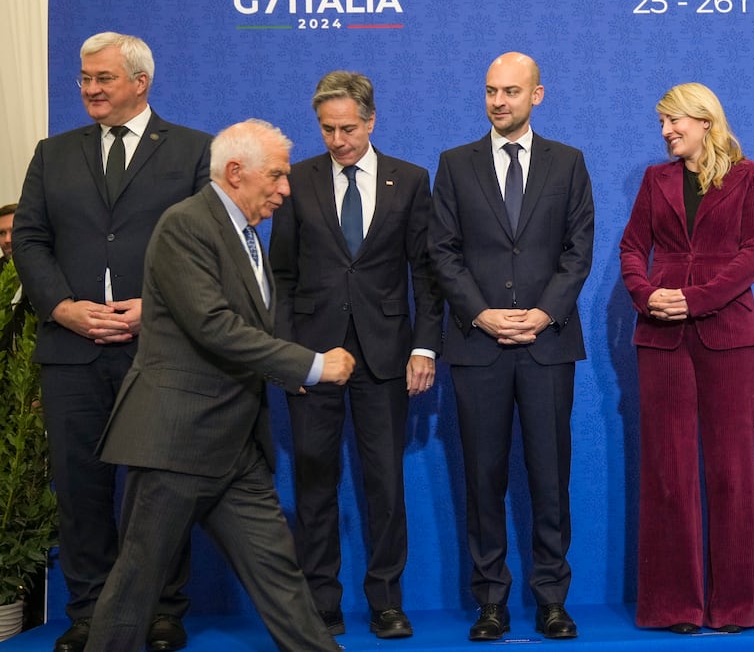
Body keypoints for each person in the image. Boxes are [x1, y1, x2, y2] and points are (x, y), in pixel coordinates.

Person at [84, 120, 356, 651]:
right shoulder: (186, 225)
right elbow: (213, 326)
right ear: (236, 172)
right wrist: (312, 366)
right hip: (177, 442)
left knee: (279, 574)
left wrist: (284, 368)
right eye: (276, 176)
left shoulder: (246, 234)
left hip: (235, 446)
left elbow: (250, 329)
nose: (285, 189)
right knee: (138, 581)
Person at [12, 32, 208, 652]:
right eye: (84, 79)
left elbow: (208, 248)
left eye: (103, 79)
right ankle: (90, 615)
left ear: (140, 82)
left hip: (158, 348)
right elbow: (30, 240)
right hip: (72, 350)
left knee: (161, 488)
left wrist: (157, 307)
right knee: (80, 490)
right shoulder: (53, 152)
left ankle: (159, 611)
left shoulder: (193, 151)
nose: (91, 90)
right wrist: (63, 308)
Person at [269, 71, 444, 639]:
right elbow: (282, 276)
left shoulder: (410, 180)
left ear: (371, 122)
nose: (338, 140)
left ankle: (387, 602)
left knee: (384, 484)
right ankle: (322, 603)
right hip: (314, 358)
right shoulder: (297, 181)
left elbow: (426, 272)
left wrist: (424, 346)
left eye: (348, 128)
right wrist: (291, 358)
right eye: (327, 129)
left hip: (386, 355)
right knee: (315, 483)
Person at [430, 52, 595, 641]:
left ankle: (552, 598)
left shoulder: (569, 162)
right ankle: (491, 602)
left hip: (547, 345)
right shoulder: (454, 164)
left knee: (551, 477)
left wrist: (545, 312)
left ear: (538, 95)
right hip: (480, 347)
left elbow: (579, 250)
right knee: (483, 477)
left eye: (511, 91)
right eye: (490, 91)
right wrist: (481, 314)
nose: (499, 101)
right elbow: (442, 252)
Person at [619, 83, 754, 634]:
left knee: (732, 472)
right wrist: (644, 294)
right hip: (660, 335)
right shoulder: (654, 180)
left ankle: (733, 608)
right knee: (667, 471)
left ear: (706, 121)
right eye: (662, 123)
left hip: (726, 333)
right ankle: (672, 608)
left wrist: (696, 298)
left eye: (673, 122)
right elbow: (633, 247)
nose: (665, 132)